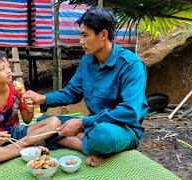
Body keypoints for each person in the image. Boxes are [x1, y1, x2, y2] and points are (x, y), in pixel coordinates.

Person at [23, 7, 148, 167]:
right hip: (92, 123)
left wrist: (82, 124)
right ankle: (86, 144)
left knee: (101, 136)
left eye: (85, 35)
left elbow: (130, 112)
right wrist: (43, 98)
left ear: (103, 35)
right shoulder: (88, 60)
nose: (81, 42)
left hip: (122, 129)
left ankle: (77, 142)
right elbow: (72, 93)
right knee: (45, 121)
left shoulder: (131, 65)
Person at [0, 49, 61, 164]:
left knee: (55, 122)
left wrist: (30, 109)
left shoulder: (17, 89)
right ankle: (24, 150)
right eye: (2, 69)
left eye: (8, 67)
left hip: (17, 134)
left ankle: (6, 152)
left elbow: (27, 120)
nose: (8, 71)